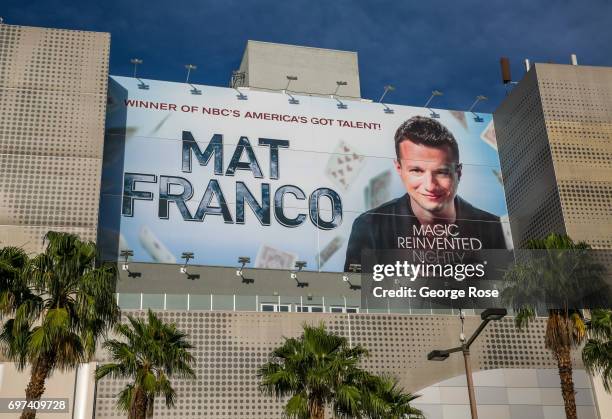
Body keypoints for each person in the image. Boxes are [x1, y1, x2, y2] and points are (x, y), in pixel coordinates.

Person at [343, 116, 507, 271]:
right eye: (416, 170)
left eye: (442, 172)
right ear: (399, 169)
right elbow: (356, 293)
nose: (430, 186)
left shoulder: (494, 228)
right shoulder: (370, 226)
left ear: (459, 173)